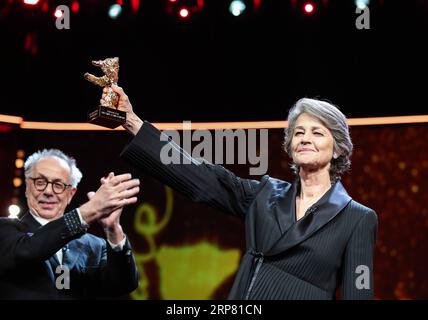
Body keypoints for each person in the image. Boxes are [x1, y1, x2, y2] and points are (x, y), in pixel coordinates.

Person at [111, 85, 378, 300]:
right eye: (298, 132)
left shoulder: (357, 218)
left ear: (339, 149)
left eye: (317, 132)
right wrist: (132, 122)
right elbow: (203, 179)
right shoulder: (266, 194)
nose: (305, 138)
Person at [0, 149, 140, 299]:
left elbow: (124, 285)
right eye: (40, 182)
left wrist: (113, 229)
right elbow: (28, 251)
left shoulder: (95, 246)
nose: (48, 191)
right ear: (27, 188)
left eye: (58, 185)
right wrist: (88, 211)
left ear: (71, 194)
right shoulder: (6, 231)